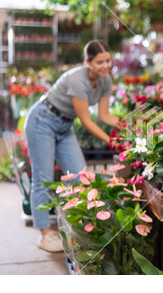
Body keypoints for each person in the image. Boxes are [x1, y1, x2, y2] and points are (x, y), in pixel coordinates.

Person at [24, 40, 120, 252]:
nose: (105, 65)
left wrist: (127, 126)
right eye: (100, 62)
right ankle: (45, 235)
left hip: (64, 125)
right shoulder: (78, 79)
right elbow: (86, 120)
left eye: (108, 60)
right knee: (44, 178)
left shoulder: (105, 80)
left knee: (80, 176)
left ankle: (75, 228)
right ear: (88, 62)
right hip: (42, 120)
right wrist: (113, 142)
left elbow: (104, 115)